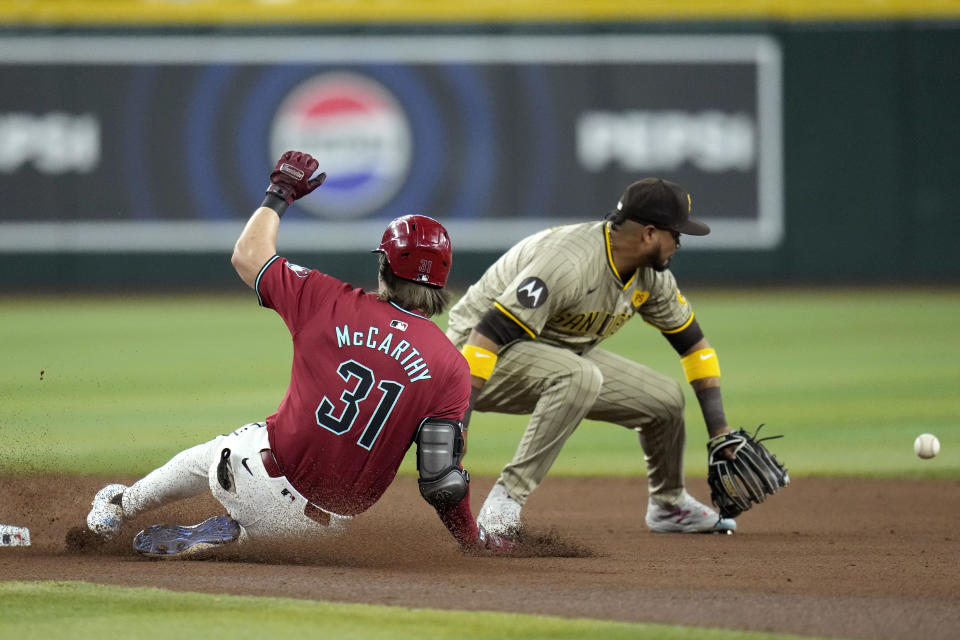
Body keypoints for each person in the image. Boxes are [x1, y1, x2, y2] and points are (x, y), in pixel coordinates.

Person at [84, 150, 512, 557]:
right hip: (324, 529)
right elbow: (440, 481)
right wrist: (471, 540)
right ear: (440, 282)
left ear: (383, 265)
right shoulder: (451, 367)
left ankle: (121, 506)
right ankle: (246, 539)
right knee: (306, 516)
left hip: (251, 474)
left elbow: (247, 256)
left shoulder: (328, 299)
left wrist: (281, 192)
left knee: (211, 454)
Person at [446, 177, 739, 536]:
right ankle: (505, 501)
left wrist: (719, 429)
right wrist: (456, 421)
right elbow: (488, 334)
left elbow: (695, 347)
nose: (679, 241)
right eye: (674, 232)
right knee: (579, 375)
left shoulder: (651, 277)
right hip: (470, 355)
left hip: (552, 351)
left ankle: (669, 504)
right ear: (648, 234)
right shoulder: (571, 262)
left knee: (665, 401)